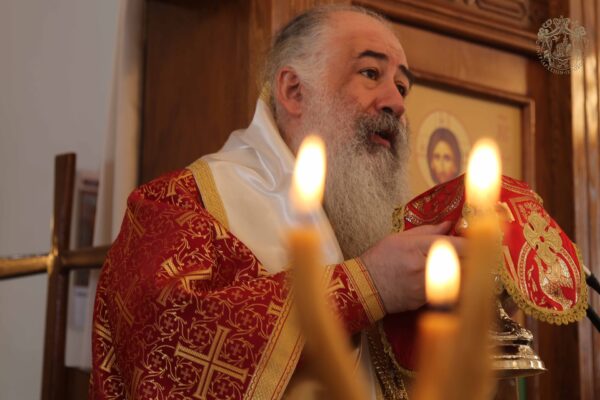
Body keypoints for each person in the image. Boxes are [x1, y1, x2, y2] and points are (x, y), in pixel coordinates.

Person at [91, 5, 465, 399]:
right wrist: (365, 285)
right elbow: (168, 353)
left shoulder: (375, 223)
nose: (397, 103)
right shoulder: (178, 207)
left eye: (402, 87)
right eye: (371, 73)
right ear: (293, 91)